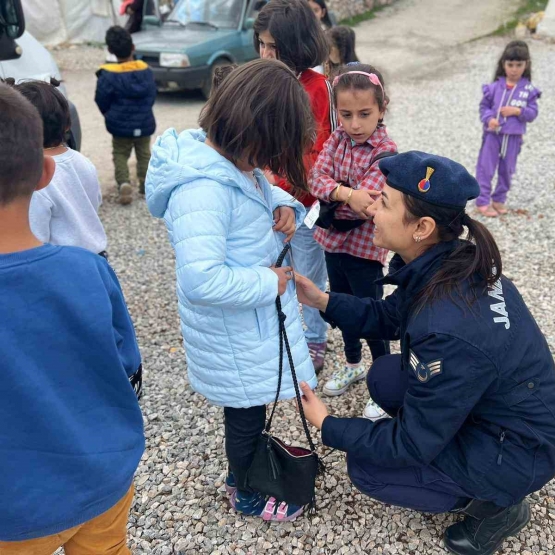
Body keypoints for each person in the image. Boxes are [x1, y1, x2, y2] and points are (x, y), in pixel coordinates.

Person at [295, 151, 555, 555]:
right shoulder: (450, 263)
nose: (372, 208)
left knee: (367, 468)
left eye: (384, 203)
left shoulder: (446, 327)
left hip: (519, 450)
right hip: (503, 412)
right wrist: (322, 300)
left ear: (422, 227)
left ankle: (498, 507)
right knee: (387, 376)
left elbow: (410, 443)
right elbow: (392, 316)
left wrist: (328, 425)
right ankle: (460, 462)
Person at [145, 59, 317, 522]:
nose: (267, 165)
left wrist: (283, 205)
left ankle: (243, 473)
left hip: (248, 325)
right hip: (234, 331)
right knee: (243, 418)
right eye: (270, 151)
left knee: (249, 413)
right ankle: (246, 491)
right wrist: (269, 281)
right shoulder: (202, 190)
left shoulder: (232, 163)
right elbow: (200, 280)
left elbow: (258, 189)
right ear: (254, 134)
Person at [0, 83, 144, 553]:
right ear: (45, 172)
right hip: (104, 480)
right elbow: (126, 363)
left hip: (16, 513)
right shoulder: (91, 271)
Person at [310, 63, 397, 421]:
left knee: (371, 312)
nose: (355, 124)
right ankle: (352, 363)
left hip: (365, 249)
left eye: (365, 114)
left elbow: (370, 205)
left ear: (382, 108)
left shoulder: (387, 150)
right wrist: (347, 193)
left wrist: (335, 196)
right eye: (346, 115)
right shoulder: (336, 139)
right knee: (341, 306)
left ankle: (385, 381)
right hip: (333, 244)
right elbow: (313, 177)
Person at [254, 0, 336, 373]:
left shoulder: (316, 87)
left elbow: (316, 152)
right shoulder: (264, 80)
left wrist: (280, 185)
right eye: (262, 45)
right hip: (266, 195)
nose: (267, 54)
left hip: (305, 205)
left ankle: (315, 340)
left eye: (275, 47)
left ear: (297, 44)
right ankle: (283, 335)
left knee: (307, 274)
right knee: (270, 268)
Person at [11, 78, 108, 257]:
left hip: (60, 267)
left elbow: (35, 239)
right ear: (67, 125)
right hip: (96, 259)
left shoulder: (34, 178)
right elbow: (95, 202)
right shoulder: (82, 161)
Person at [475, 41, 540, 218]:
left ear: (526, 65)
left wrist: (518, 111)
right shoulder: (494, 87)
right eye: (510, 64)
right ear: (503, 64)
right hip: (492, 136)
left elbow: (533, 113)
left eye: (519, 65)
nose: (514, 69)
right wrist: (489, 119)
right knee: (485, 168)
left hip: (513, 137)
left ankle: (499, 198)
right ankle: (482, 200)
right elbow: (484, 108)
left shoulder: (528, 90)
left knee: (507, 169)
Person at [95, 25, 156, 205]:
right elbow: (152, 95)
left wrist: (109, 115)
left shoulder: (107, 75)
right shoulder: (146, 71)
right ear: (133, 48)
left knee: (120, 154)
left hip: (119, 126)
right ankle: (145, 185)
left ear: (110, 50)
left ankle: (123, 183)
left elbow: (101, 99)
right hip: (144, 122)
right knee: (144, 153)